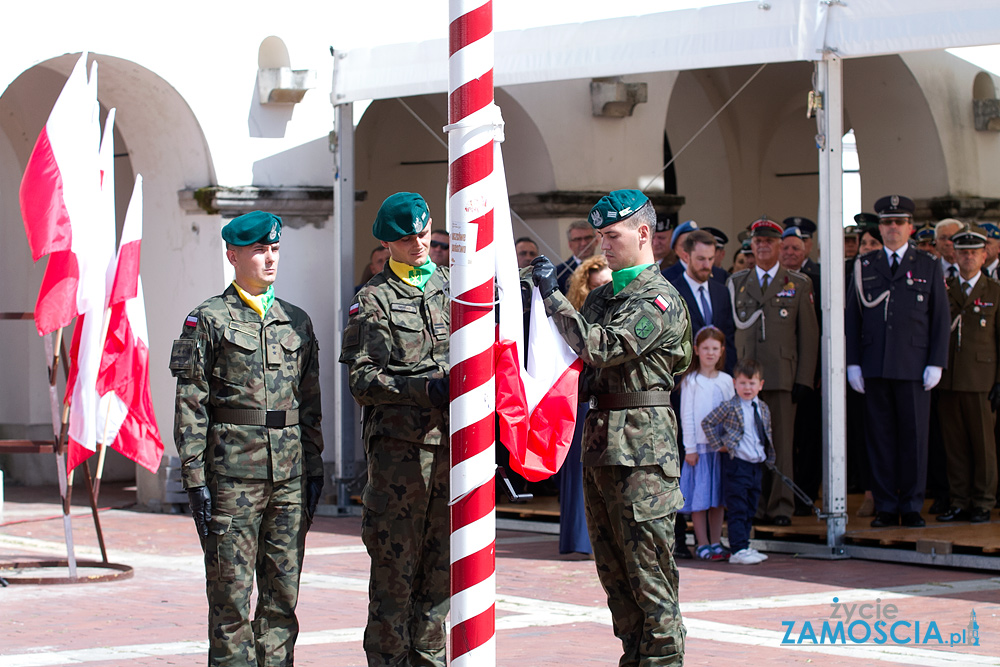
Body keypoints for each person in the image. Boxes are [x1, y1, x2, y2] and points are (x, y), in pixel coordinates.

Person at [531, 189, 691, 666]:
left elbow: (599, 347)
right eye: (600, 236)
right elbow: (568, 354)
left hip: (644, 452)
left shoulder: (658, 300)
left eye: (613, 235)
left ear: (644, 233)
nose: (604, 245)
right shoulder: (603, 295)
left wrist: (551, 296)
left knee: (650, 579)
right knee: (617, 581)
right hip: (601, 446)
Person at [170, 210, 324, 667]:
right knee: (230, 598)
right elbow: (191, 403)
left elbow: (310, 403)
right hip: (233, 478)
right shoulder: (208, 320)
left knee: (282, 598)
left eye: (275, 249)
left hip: (289, 477)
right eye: (259, 250)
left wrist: (315, 468)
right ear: (233, 255)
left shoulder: (296, 321)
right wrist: (195, 479)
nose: (270, 258)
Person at [340, 192, 451, 667]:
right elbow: (362, 380)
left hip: (451, 456)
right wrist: (422, 390)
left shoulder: (454, 288)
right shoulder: (373, 300)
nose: (419, 245)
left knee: (439, 581)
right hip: (398, 462)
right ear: (386, 243)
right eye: (407, 239)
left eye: (424, 234)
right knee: (394, 582)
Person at [846, 195, 950, 528]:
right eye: (887, 222)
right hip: (875, 364)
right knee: (880, 438)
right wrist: (853, 363)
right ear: (880, 226)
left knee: (914, 439)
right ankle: (887, 505)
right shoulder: (864, 265)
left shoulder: (928, 264)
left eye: (898, 222)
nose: (892, 228)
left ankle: (912, 504)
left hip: (914, 365)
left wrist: (936, 361)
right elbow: (854, 318)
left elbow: (939, 318)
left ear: (910, 227)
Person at [727, 217, 819, 526]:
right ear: (751, 246)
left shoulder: (798, 283)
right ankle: (755, 505)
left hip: (781, 376)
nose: (763, 246)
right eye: (758, 241)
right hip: (746, 378)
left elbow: (809, 336)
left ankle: (781, 506)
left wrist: (804, 378)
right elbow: (729, 332)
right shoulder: (737, 282)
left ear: (780, 245)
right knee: (748, 443)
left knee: (780, 445)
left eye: (769, 241)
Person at [935, 229, 1000, 523]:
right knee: (955, 445)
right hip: (949, 379)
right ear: (954, 255)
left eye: (974, 252)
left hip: (981, 379)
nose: (968, 257)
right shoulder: (945, 288)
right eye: (963, 252)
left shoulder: (995, 291)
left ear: (984, 256)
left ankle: (984, 501)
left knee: (983, 445)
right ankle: (959, 500)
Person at [558, 254, 614, 556]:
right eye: (598, 284)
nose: (605, 287)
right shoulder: (576, 314)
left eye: (607, 282)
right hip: (579, 397)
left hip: (604, 396)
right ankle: (578, 538)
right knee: (579, 466)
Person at [701, 358, 774, 565]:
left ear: (760, 385)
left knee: (751, 506)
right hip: (737, 464)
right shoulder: (731, 406)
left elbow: (765, 433)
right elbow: (708, 422)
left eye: (752, 383)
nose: (747, 388)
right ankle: (737, 548)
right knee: (738, 507)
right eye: (743, 383)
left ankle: (746, 544)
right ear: (735, 383)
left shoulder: (763, 408)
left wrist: (767, 455)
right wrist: (719, 445)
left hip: (755, 465)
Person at [678, 326, 734, 561]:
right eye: (705, 348)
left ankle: (716, 541)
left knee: (717, 499)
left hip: (719, 450)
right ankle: (701, 543)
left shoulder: (727, 381)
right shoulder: (691, 381)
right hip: (699, 451)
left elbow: (733, 415)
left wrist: (730, 443)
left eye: (715, 348)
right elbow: (687, 416)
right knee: (700, 500)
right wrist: (690, 448)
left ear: (721, 351)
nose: (710, 353)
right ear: (697, 350)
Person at [669, 229, 737, 374]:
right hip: (683, 381)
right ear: (686, 256)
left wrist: (730, 375)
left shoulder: (722, 292)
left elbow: (728, 338)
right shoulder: (671, 291)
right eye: (701, 259)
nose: (707, 265)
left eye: (710, 259)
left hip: (718, 378)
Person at [663, 220, 728, 284]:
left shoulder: (721, 275)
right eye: (685, 244)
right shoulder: (665, 277)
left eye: (695, 244)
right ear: (675, 249)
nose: (689, 248)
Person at [556, 219, 598, 293]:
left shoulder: (608, 267)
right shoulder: (559, 272)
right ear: (570, 244)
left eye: (588, 238)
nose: (584, 243)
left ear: (596, 241)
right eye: (578, 239)